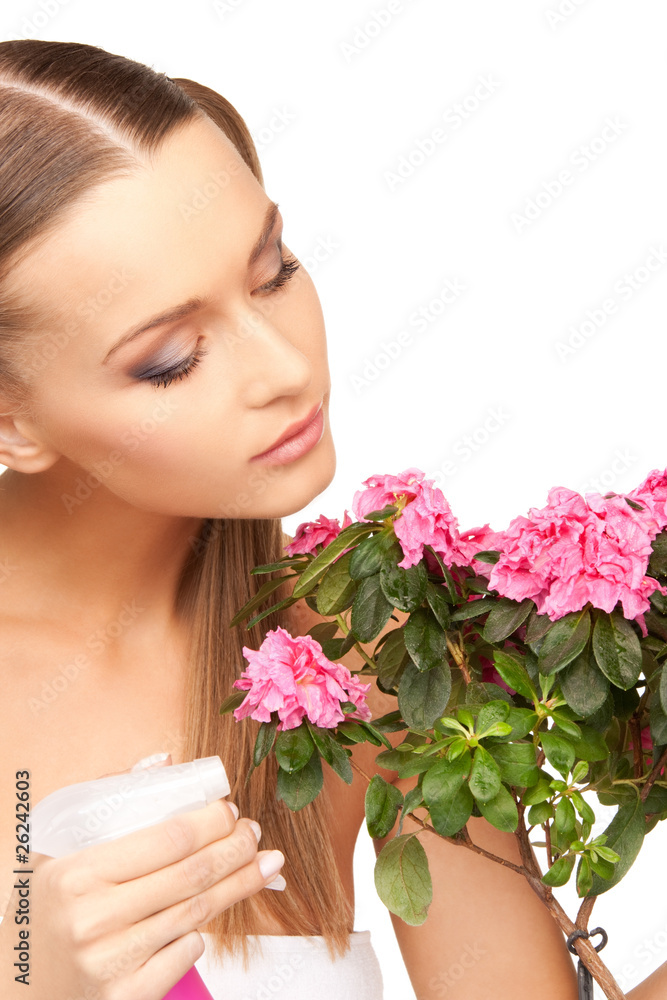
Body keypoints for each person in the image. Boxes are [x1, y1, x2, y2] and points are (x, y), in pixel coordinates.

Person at [0, 37, 656, 1000]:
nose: (285, 369)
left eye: (273, 270)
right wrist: (26, 974)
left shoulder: (365, 653)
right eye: (172, 358)